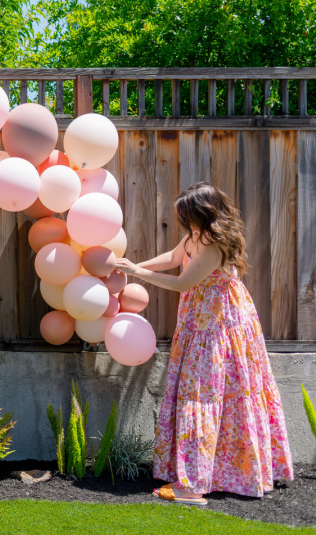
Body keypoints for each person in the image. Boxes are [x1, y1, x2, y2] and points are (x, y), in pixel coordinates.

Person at [115, 182, 293, 505]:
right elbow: (173, 257)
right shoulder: (197, 235)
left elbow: (184, 281)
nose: (185, 223)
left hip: (217, 324)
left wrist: (137, 273)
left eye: (187, 216)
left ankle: (192, 486)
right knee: (211, 393)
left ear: (204, 214)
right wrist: (135, 267)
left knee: (203, 393)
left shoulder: (214, 244)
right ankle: (219, 474)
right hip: (201, 320)